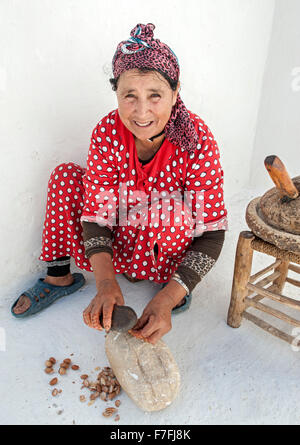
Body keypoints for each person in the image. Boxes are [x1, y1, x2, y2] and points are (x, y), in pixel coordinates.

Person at [11, 23, 228, 345]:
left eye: (155, 95)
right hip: (116, 242)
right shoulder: (108, 132)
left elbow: (211, 233)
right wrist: (105, 283)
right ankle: (59, 279)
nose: (142, 112)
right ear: (116, 92)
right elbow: (96, 216)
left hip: (162, 247)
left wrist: (166, 299)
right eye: (130, 96)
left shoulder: (195, 140)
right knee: (66, 176)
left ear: (175, 90)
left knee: (173, 211)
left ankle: (173, 289)